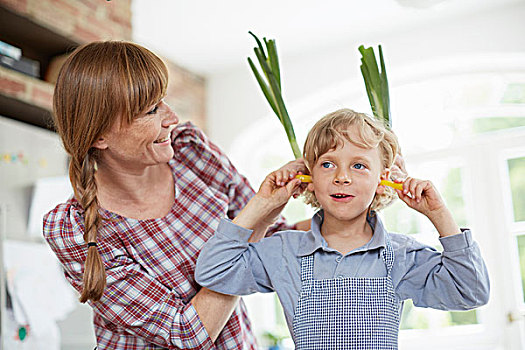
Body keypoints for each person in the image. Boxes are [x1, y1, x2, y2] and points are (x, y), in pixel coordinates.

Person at [43, 41, 308, 349]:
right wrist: (255, 216)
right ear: (100, 135)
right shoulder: (74, 229)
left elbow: (277, 237)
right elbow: (186, 333)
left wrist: (351, 206)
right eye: (151, 110)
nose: (171, 118)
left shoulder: (190, 152)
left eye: (164, 100)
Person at [195, 108, 490, 349]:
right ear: (309, 176)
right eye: (327, 164)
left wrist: (439, 215)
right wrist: (261, 203)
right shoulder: (284, 250)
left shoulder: (401, 255)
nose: (342, 177)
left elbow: (471, 292)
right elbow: (212, 271)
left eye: (359, 165)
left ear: (383, 178)